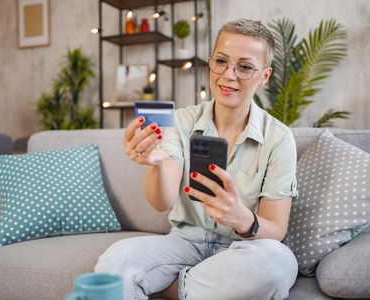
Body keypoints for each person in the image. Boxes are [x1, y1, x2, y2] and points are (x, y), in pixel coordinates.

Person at [95, 19, 299, 300]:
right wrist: (154, 163)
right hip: (184, 242)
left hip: (243, 248)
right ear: (210, 62)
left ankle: (172, 290)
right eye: (221, 61)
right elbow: (161, 202)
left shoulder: (279, 138)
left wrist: (243, 218)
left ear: (264, 75)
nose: (229, 75)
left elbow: (276, 229)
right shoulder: (179, 121)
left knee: (278, 263)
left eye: (245, 66)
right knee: (114, 262)